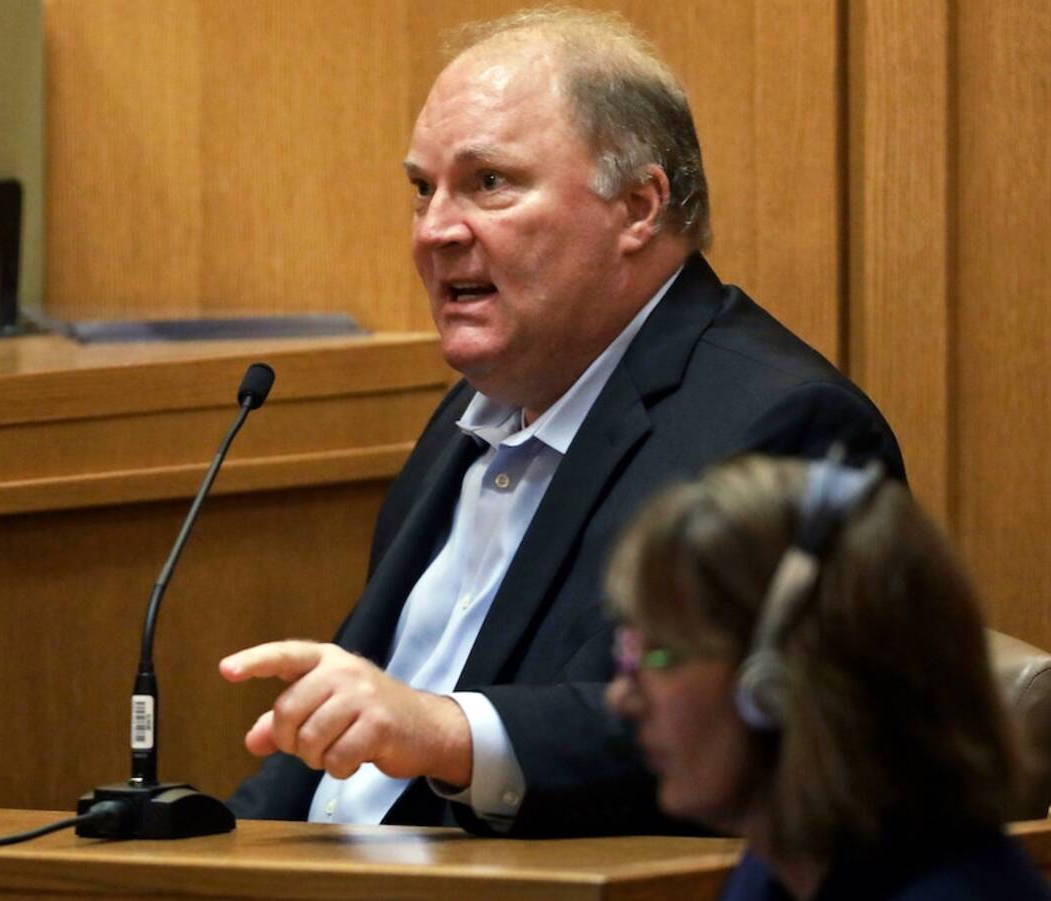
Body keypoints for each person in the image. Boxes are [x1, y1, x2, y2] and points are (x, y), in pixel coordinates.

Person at [220, 6, 905, 837]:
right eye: (421, 189)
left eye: (489, 183)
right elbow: (346, 749)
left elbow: (736, 723)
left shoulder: (785, 423)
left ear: (639, 206)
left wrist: (447, 732)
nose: (436, 229)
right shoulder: (467, 420)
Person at [606, 453, 1049, 899]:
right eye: (628, 655)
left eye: (661, 656)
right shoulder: (777, 871)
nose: (621, 697)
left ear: (775, 685)